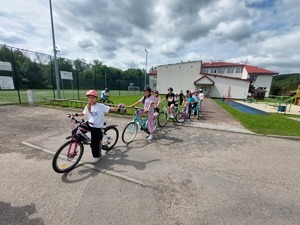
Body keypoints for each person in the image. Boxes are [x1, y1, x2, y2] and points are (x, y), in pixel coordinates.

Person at [68, 90, 118, 163]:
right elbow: (83, 113)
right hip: (90, 124)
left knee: (95, 143)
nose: (91, 99)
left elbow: (110, 108)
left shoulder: (100, 106)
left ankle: (97, 156)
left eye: (93, 98)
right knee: (76, 131)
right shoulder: (88, 106)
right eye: (89, 98)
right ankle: (86, 140)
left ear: (96, 98)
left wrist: (119, 109)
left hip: (97, 127)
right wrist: (73, 114)